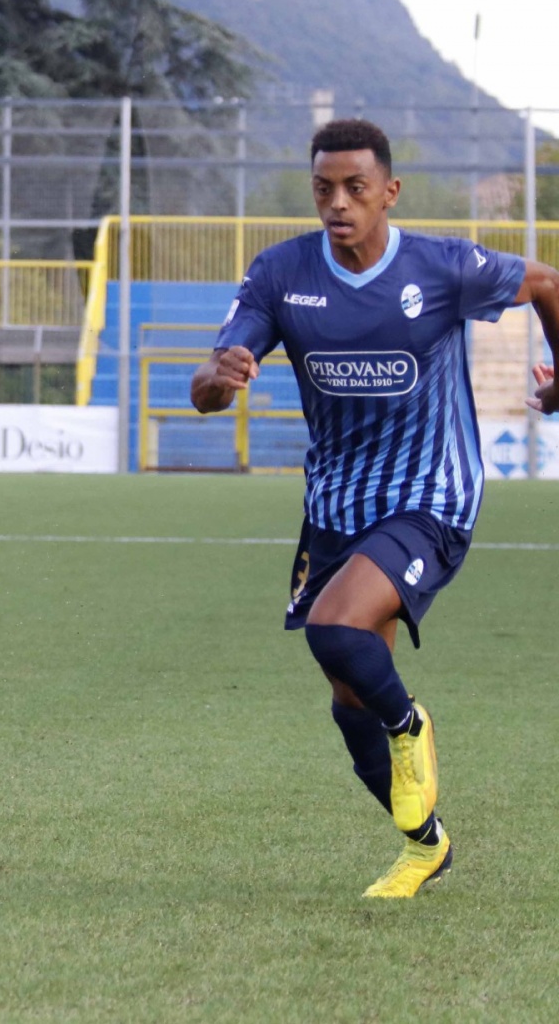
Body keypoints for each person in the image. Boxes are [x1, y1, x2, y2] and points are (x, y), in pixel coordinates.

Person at [191, 118, 559, 898]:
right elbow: (206, 388)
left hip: (431, 495)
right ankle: (426, 846)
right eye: (323, 188)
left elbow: (548, 283)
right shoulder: (281, 274)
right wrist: (220, 378)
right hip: (336, 504)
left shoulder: (443, 267)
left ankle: (410, 725)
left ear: (389, 192)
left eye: (355, 188)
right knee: (349, 699)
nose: (338, 203)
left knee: (335, 628)